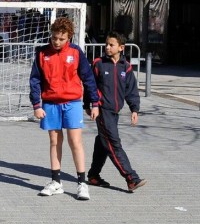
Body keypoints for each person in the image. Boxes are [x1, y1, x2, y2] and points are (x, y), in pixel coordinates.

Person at [29, 17, 99, 200]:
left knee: (75, 141)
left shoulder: (76, 53)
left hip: (72, 102)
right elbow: (35, 80)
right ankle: (56, 182)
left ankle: (82, 183)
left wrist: (95, 103)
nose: (57, 42)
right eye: (54, 38)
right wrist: (36, 104)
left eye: (61, 39)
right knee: (54, 141)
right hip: (50, 103)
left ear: (69, 37)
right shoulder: (42, 53)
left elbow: (88, 78)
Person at [85, 31, 147, 192]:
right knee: (113, 143)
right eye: (106, 44)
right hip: (102, 110)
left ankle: (93, 176)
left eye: (111, 45)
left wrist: (135, 109)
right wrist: (89, 105)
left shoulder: (125, 67)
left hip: (115, 111)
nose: (107, 47)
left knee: (103, 142)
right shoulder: (98, 63)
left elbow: (131, 90)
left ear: (121, 47)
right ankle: (131, 178)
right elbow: (89, 86)